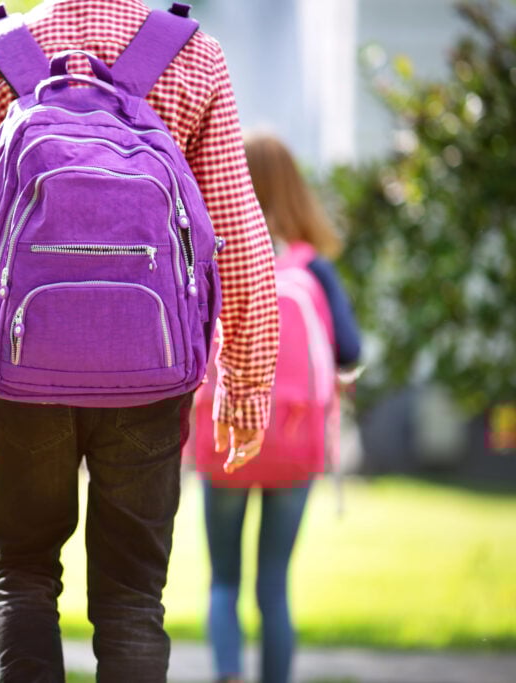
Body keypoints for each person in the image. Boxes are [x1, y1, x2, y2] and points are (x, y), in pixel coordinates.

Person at [0, 1, 280, 680]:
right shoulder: (194, 54)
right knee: (133, 596)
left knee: (22, 568)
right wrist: (249, 381)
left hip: (24, 369)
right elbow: (239, 236)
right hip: (152, 370)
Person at [200, 131, 362, 683]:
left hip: (223, 437)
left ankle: (227, 677)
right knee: (274, 583)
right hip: (294, 439)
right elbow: (351, 350)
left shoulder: (214, 255)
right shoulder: (313, 267)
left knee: (224, 580)